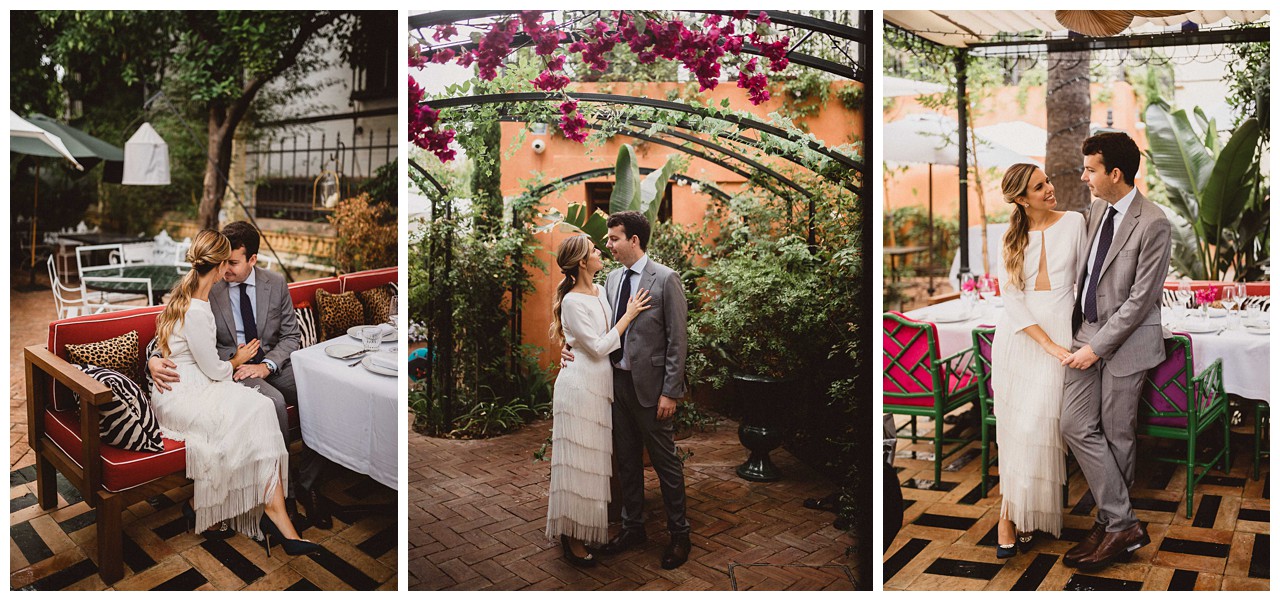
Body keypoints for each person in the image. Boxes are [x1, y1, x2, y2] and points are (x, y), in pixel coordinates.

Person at [150, 221, 332, 529]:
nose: (228, 269)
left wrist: (268, 365)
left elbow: (291, 336)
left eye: (235, 262)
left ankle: (308, 483)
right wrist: (154, 359)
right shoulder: (209, 284)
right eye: (225, 262)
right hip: (231, 371)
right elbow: (172, 332)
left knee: (321, 397)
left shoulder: (275, 283)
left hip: (272, 364)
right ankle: (281, 497)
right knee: (272, 404)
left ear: (253, 260)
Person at [1060, 132, 1171, 570]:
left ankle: (1110, 527)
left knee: (1117, 434)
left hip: (1126, 343)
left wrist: (1097, 348)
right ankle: (1122, 522)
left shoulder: (1154, 222)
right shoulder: (1094, 209)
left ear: (1115, 173)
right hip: (1084, 331)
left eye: (1090, 169)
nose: (1085, 177)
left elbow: (1141, 299)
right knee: (1073, 423)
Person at [566, 211, 692, 570]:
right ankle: (633, 528)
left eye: (614, 238)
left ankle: (680, 534)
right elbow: (593, 326)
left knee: (666, 464)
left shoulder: (666, 279)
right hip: (615, 385)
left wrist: (671, 392)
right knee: (625, 462)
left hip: (652, 391)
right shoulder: (612, 280)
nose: (608, 245)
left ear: (634, 240)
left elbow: (677, 341)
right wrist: (568, 346)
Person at [989, 164, 1086, 558]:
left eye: (1047, 181)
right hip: (1021, 340)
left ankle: (1021, 514)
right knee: (1017, 431)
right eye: (1038, 186)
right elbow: (1011, 299)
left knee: (1040, 430)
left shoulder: (1075, 222)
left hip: (1062, 335)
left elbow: (1088, 282)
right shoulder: (1008, 237)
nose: (1050, 189)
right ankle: (1009, 515)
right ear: (1020, 199)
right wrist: (1047, 344)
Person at [544, 234, 652, 567]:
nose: (599, 251)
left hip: (598, 387)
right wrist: (629, 315)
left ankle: (579, 528)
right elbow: (599, 346)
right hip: (577, 389)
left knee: (592, 464)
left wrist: (570, 345)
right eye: (593, 250)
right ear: (580, 262)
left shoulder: (601, 290)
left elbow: (588, 340)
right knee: (576, 462)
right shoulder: (573, 301)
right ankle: (571, 538)